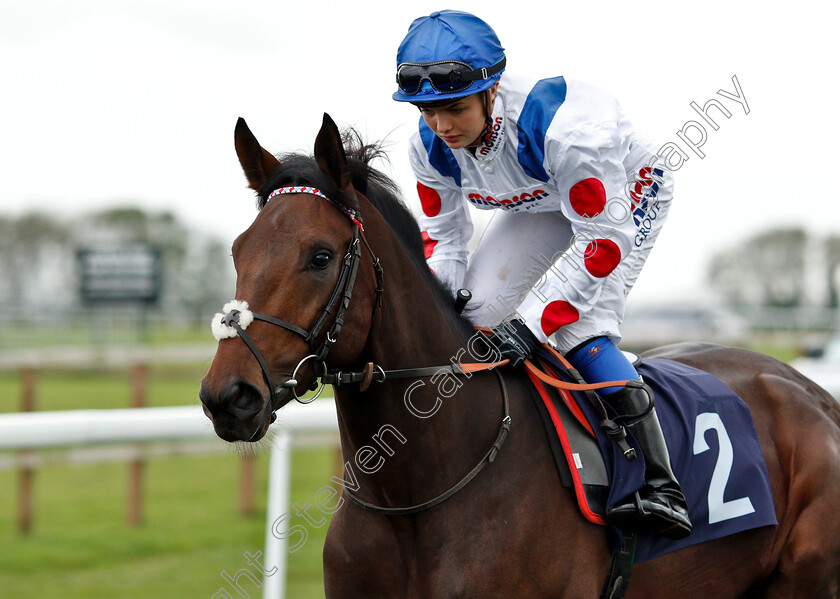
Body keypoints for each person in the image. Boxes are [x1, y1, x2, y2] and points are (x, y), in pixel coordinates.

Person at [392, 9, 691, 539]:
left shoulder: (568, 130)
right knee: (478, 316)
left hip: (621, 196)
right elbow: (446, 241)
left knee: (576, 325)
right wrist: (436, 309)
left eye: (455, 109)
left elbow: (601, 241)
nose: (441, 126)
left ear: (492, 89)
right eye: (427, 110)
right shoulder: (427, 146)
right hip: (541, 200)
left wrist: (529, 325)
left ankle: (659, 483)